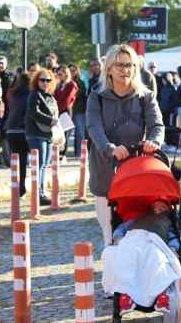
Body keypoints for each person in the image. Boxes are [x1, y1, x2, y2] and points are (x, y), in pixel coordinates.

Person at [87, 44, 164, 246]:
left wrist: (154, 142)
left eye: (129, 65)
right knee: (109, 229)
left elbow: (157, 125)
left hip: (135, 169)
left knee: (136, 225)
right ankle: (113, 270)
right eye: (119, 65)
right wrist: (110, 148)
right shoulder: (97, 96)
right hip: (105, 168)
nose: (125, 70)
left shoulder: (145, 96)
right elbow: (94, 128)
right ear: (109, 69)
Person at [25, 67, 59, 205]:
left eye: (48, 80)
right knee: (38, 165)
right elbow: (34, 113)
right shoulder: (34, 94)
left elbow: (55, 113)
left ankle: (42, 191)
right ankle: (38, 193)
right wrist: (51, 120)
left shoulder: (50, 96)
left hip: (48, 134)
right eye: (42, 80)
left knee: (44, 165)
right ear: (36, 81)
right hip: (35, 133)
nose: (45, 82)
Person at [6, 73, 31, 197]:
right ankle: (32, 188)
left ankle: (19, 189)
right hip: (24, 130)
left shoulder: (12, 94)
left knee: (17, 162)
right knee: (33, 161)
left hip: (11, 129)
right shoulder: (30, 94)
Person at [54, 66, 78, 159]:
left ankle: (63, 154)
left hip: (65, 111)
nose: (59, 75)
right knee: (57, 132)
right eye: (58, 73)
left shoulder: (71, 84)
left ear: (66, 74)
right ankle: (57, 152)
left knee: (65, 132)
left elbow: (67, 100)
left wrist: (57, 108)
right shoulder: (59, 85)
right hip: (57, 111)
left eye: (61, 73)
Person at [0, 55, 15, 166]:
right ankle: (0, 159)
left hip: (8, 109)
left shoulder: (10, 76)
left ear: (6, 64)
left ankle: (9, 160)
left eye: (2, 63)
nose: (0, 65)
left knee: (7, 134)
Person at [69, 65, 87, 158]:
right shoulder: (66, 82)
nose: (72, 72)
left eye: (74, 70)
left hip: (79, 110)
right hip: (67, 111)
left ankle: (80, 152)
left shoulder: (80, 82)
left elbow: (81, 93)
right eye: (70, 70)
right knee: (67, 132)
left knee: (80, 132)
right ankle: (62, 153)